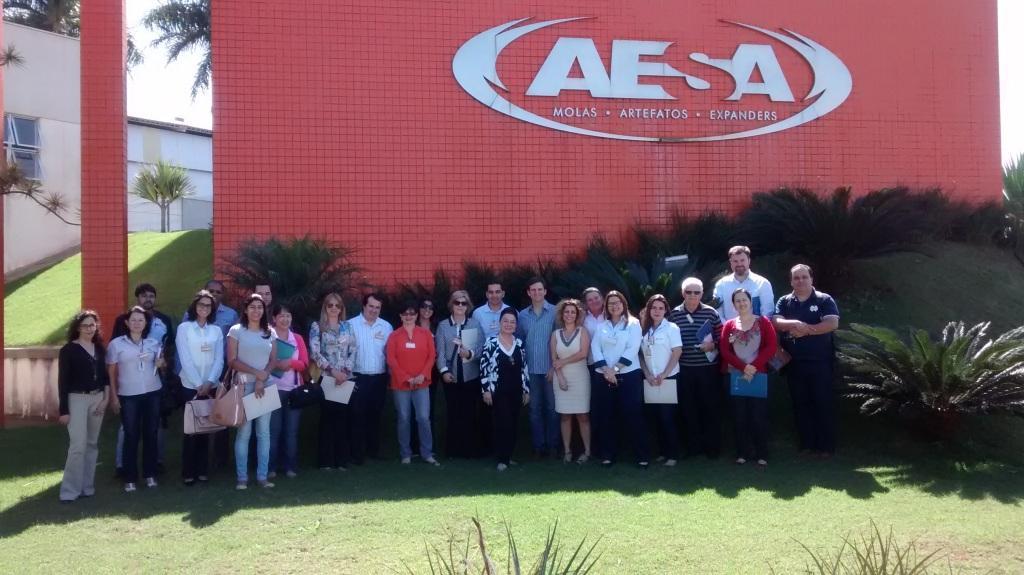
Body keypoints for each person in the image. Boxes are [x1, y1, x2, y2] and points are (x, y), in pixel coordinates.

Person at [772, 264, 840, 457]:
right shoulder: (785, 301)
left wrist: (807, 330)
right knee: (800, 404)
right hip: (794, 363)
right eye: (796, 278)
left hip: (820, 363)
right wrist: (794, 323)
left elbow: (832, 323)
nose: (800, 281)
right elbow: (776, 322)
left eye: (804, 277)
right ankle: (806, 445)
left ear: (811, 279)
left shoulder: (824, 299)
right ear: (791, 281)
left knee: (822, 402)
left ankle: (826, 446)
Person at [112, 283, 176, 477]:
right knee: (127, 426)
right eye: (144, 296)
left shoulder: (164, 320)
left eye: (151, 296)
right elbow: (114, 353)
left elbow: (169, 347)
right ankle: (122, 465)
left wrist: (165, 366)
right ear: (137, 298)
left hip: (156, 379)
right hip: (129, 381)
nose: (148, 299)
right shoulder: (122, 320)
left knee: (157, 423)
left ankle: (156, 462)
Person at [107, 306, 164, 492]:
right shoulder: (116, 344)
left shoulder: (153, 343)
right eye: (133, 320)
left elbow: (162, 365)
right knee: (131, 435)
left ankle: (150, 474)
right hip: (128, 395)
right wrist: (114, 396)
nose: (137, 323)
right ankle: (129, 477)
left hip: (152, 392)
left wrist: (162, 363)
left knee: (151, 433)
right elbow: (111, 372)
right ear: (126, 322)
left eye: (141, 320)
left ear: (146, 323)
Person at [720, 288, 778, 468]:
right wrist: (743, 367)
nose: (741, 303)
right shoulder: (729, 325)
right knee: (739, 416)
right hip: (737, 376)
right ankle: (742, 453)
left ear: (750, 301)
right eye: (737, 301)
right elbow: (724, 350)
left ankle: (762, 453)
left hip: (758, 374)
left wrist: (754, 367)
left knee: (758, 415)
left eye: (744, 299)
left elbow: (771, 346)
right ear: (733, 304)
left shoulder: (763, 322)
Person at [591, 290, 649, 468]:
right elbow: (595, 348)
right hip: (604, 376)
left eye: (617, 302)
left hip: (628, 375)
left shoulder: (633, 324)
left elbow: (632, 349)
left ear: (623, 304)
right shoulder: (602, 326)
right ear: (606, 307)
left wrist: (615, 369)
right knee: (606, 415)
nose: (614, 306)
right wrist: (607, 371)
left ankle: (641, 456)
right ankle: (608, 455)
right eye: (611, 303)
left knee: (633, 415)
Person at [227, 293, 279, 489]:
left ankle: (262, 476)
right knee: (244, 433)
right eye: (252, 307)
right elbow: (232, 361)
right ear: (246, 310)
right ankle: (242, 477)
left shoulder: (270, 332)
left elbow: (273, 360)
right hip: (243, 386)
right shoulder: (236, 331)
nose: (256, 311)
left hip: (265, 386)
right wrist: (256, 374)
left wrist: (261, 378)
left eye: (260, 307)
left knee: (264, 433)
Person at [668, 277, 723, 459]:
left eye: (696, 292)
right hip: (684, 369)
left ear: (702, 293)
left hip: (708, 369)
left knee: (710, 408)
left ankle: (712, 448)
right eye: (688, 292)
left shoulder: (711, 313)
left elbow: (722, 337)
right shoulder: (674, 315)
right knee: (688, 409)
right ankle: (693, 448)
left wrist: (713, 345)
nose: (692, 295)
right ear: (682, 293)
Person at [58, 310, 109, 502]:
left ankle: (86, 487)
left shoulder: (100, 349)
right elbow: (63, 382)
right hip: (76, 399)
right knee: (78, 445)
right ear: (78, 328)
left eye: (92, 325)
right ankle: (69, 491)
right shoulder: (68, 350)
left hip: (98, 399)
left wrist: (105, 399)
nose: (89, 329)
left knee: (92, 444)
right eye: (85, 325)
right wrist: (64, 411)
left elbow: (105, 377)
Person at [175, 290, 225, 485]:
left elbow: (219, 359)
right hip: (190, 385)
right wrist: (197, 384)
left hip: (210, 385)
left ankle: (202, 470)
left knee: (206, 428)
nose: (204, 308)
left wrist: (209, 382)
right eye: (201, 304)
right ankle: (188, 472)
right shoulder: (184, 328)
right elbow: (185, 358)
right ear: (194, 306)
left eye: (208, 305)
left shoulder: (216, 330)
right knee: (191, 429)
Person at [386, 300, 439, 465]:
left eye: (412, 313)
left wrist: (423, 375)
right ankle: (405, 454)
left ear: (417, 315)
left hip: (422, 383)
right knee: (403, 418)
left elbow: (432, 356)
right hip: (401, 384)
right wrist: (406, 377)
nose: (408, 316)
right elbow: (391, 359)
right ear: (400, 316)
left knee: (423, 418)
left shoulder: (425, 334)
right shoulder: (394, 336)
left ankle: (427, 453)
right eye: (405, 313)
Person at [309, 293, 358, 470]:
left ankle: (342, 460)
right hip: (327, 377)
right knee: (327, 419)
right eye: (330, 305)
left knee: (342, 418)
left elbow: (353, 350)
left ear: (341, 308)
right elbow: (315, 352)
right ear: (325, 307)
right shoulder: (317, 326)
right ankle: (326, 461)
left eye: (337, 305)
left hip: (345, 378)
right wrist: (333, 371)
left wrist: (344, 372)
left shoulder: (347, 326)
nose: (334, 308)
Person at [435, 290, 485, 458]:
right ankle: (453, 450)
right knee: (453, 413)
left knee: (470, 412)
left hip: (471, 375)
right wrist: (444, 372)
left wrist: (470, 354)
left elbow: (481, 348)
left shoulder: (474, 324)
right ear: (452, 304)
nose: (460, 306)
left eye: (464, 303)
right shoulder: (443, 326)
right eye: (457, 302)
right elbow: (440, 352)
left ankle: (469, 449)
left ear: (468, 306)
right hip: (451, 376)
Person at [480, 308, 530, 471]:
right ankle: (501, 459)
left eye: (512, 322)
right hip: (498, 391)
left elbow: (524, 368)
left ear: (516, 325)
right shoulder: (491, 342)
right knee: (503, 423)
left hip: (516, 390)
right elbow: (484, 367)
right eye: (506, 321)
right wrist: (486, 390)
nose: (509, 324)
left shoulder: (519, 343)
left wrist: (526, 390)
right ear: (500, 323)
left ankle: (508, 455)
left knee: (514, 423)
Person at [639, 294, 683, 466]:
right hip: (650, 379)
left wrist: (664, 374)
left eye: (660, 308)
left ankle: (673, 454)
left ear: (665, 311)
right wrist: (647, 374)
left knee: (667, 417)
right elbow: (640, 355)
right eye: (654, 308)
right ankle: (662, 452)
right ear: (648, 310)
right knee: (655, 417)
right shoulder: (644, 329)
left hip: (668, 378)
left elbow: (677, 352)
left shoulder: (671, 328)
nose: (657, 311)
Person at [348, 293, 393, 463]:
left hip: (379, 378)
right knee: (357, 415)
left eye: (377, 307)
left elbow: (389, 353)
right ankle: (356, 454)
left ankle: (373, 451)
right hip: (358, 377)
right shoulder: (350, 325)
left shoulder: (386, 326)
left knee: (375, 415)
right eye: (371, 306)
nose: (374, 310)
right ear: (364, 306)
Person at [517, 277, 558, 458]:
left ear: (545, 291)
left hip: (550, 369)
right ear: (528, 293)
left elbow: (560, 340)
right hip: (530, 371)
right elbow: (519, 342)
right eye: (533, 290)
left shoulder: (555, 312)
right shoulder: (522, 316)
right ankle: (538, 447)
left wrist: (554, 367)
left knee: (552, 409)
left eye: (540, 289)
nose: (537, 293)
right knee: (534, 411)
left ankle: (553, 446)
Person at [268, 303, 310, 478]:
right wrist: (276, 364)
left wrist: (290, 363)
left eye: (288, 316)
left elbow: (305, 363)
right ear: (274, 318)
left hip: (294, 390)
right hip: (273, 389)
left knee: (291, 432)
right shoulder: (268, 337)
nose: (285, 319)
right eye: (281, 316)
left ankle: (290, 467)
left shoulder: (297, 338)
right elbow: (261, 361)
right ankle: (271, 468)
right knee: (273, 431)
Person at [548, 298, 592, 463]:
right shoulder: (555, 335)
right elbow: (554, 359)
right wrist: (560, 377)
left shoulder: (583, 332)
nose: (569, 314)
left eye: (573, 312)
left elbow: (583, 353)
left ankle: (587, 451)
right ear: (562, 314)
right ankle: (567, 451)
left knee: (583, 416)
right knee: (565, 416)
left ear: (577, 315)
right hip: (561, 378)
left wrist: (563, 362)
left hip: (580, 377)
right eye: (566, 312)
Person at [581, 287, 608, 462]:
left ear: (602, 298)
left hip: (614, 366)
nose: (594, 301)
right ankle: (596, 447)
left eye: (596, 297)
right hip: (592, 366)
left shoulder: (611, 313)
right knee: (596, 406)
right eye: (590, 299)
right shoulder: (583, 318)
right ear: (586, 303)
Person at [712, 246, 775, 321]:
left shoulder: (763, 283)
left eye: (742, 260)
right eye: (735, 261)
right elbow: (718, 313)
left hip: (757, 328)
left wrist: (755, 327)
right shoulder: (721, 285)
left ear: (749, 260)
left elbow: (767, 313)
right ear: (730, 262)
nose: (739, 264)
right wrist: (728, 327)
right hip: (728, 327)